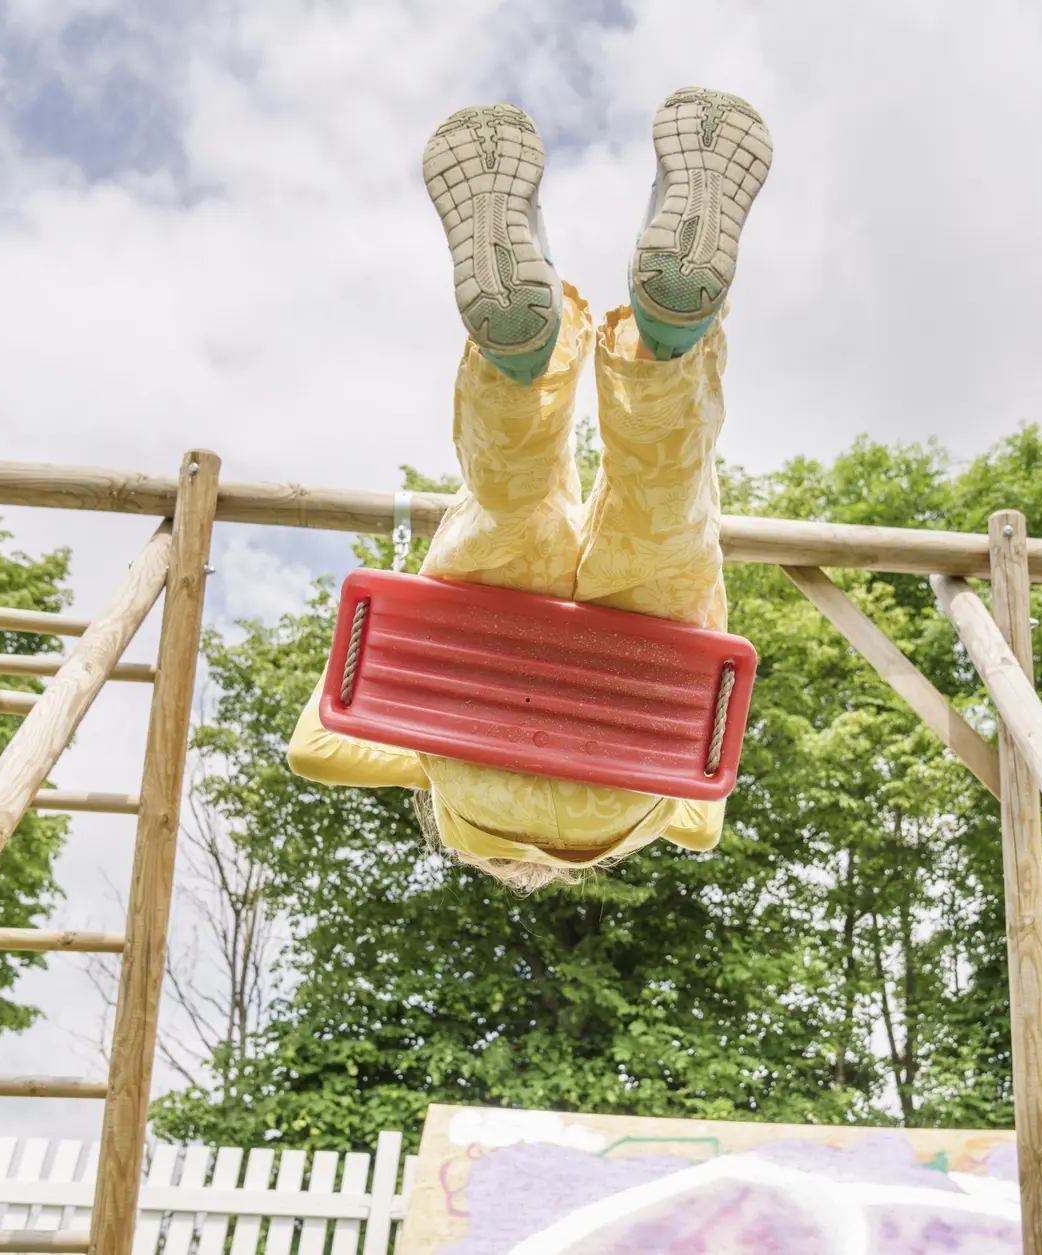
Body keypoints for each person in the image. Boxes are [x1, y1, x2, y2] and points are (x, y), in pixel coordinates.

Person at [286, 88, 772, 889]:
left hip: (632, 742)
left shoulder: (657, 824)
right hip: (477, 677)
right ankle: (519, 358)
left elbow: (706, 820)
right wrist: (424, 735)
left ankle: (671, 338)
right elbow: (314, 748)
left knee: (663, 509)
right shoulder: (443, 780)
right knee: (509, 499)